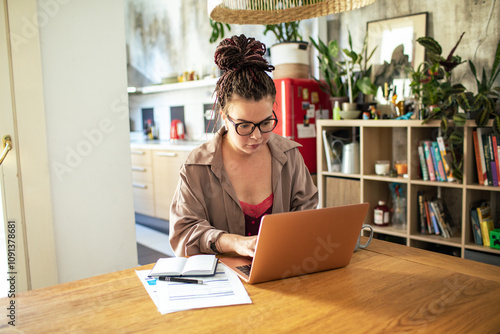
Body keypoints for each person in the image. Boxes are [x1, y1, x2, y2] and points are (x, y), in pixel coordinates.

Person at [169, 34, 318, 257]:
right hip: (223, 283)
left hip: (281, 275)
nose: (257, 136)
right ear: (224, 116)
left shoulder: (290, 156)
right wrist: (232, 242)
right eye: (245, 126)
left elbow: (308, 215)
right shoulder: (196, 167)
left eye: (266, 122)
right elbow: (184, 233)